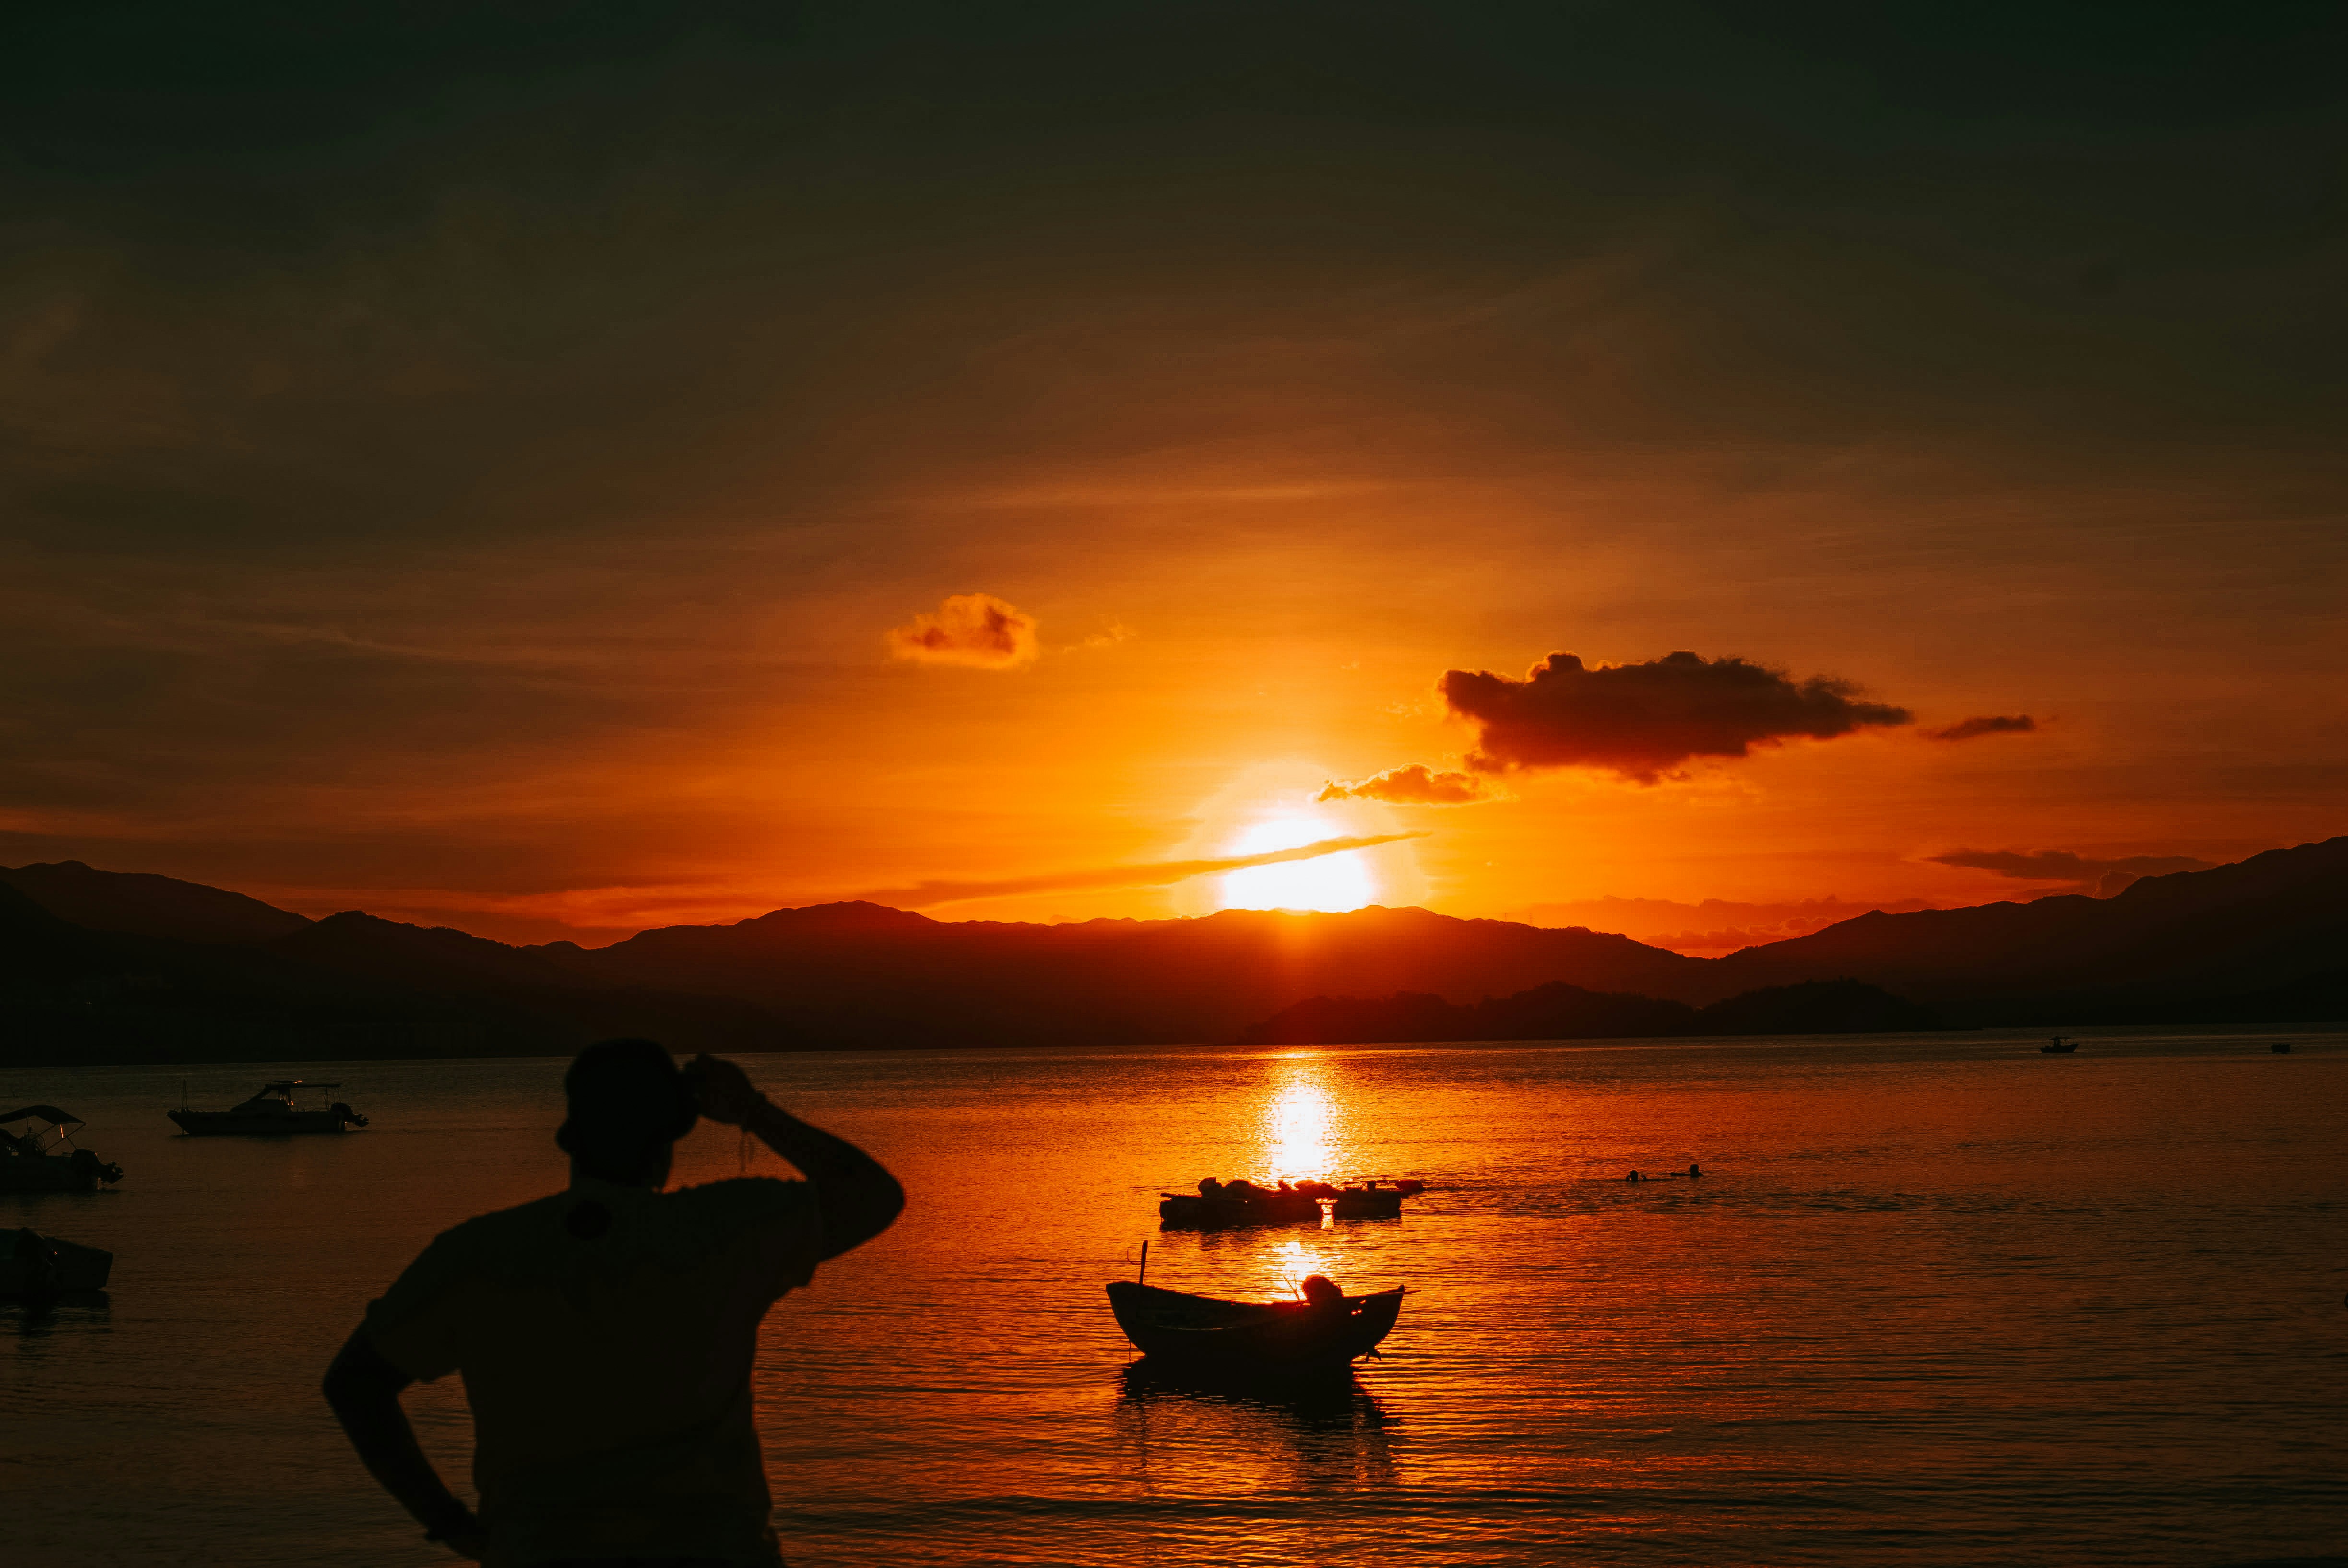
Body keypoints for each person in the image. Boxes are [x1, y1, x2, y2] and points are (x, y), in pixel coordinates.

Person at [323, 1040, 903, 1567]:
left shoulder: (477, 1255)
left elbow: (355, 1384)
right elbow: (873, 1194)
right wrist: (750, 1108)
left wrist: (447, 1522)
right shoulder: (725, 1232)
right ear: (674, 1134)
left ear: (569, 1135)